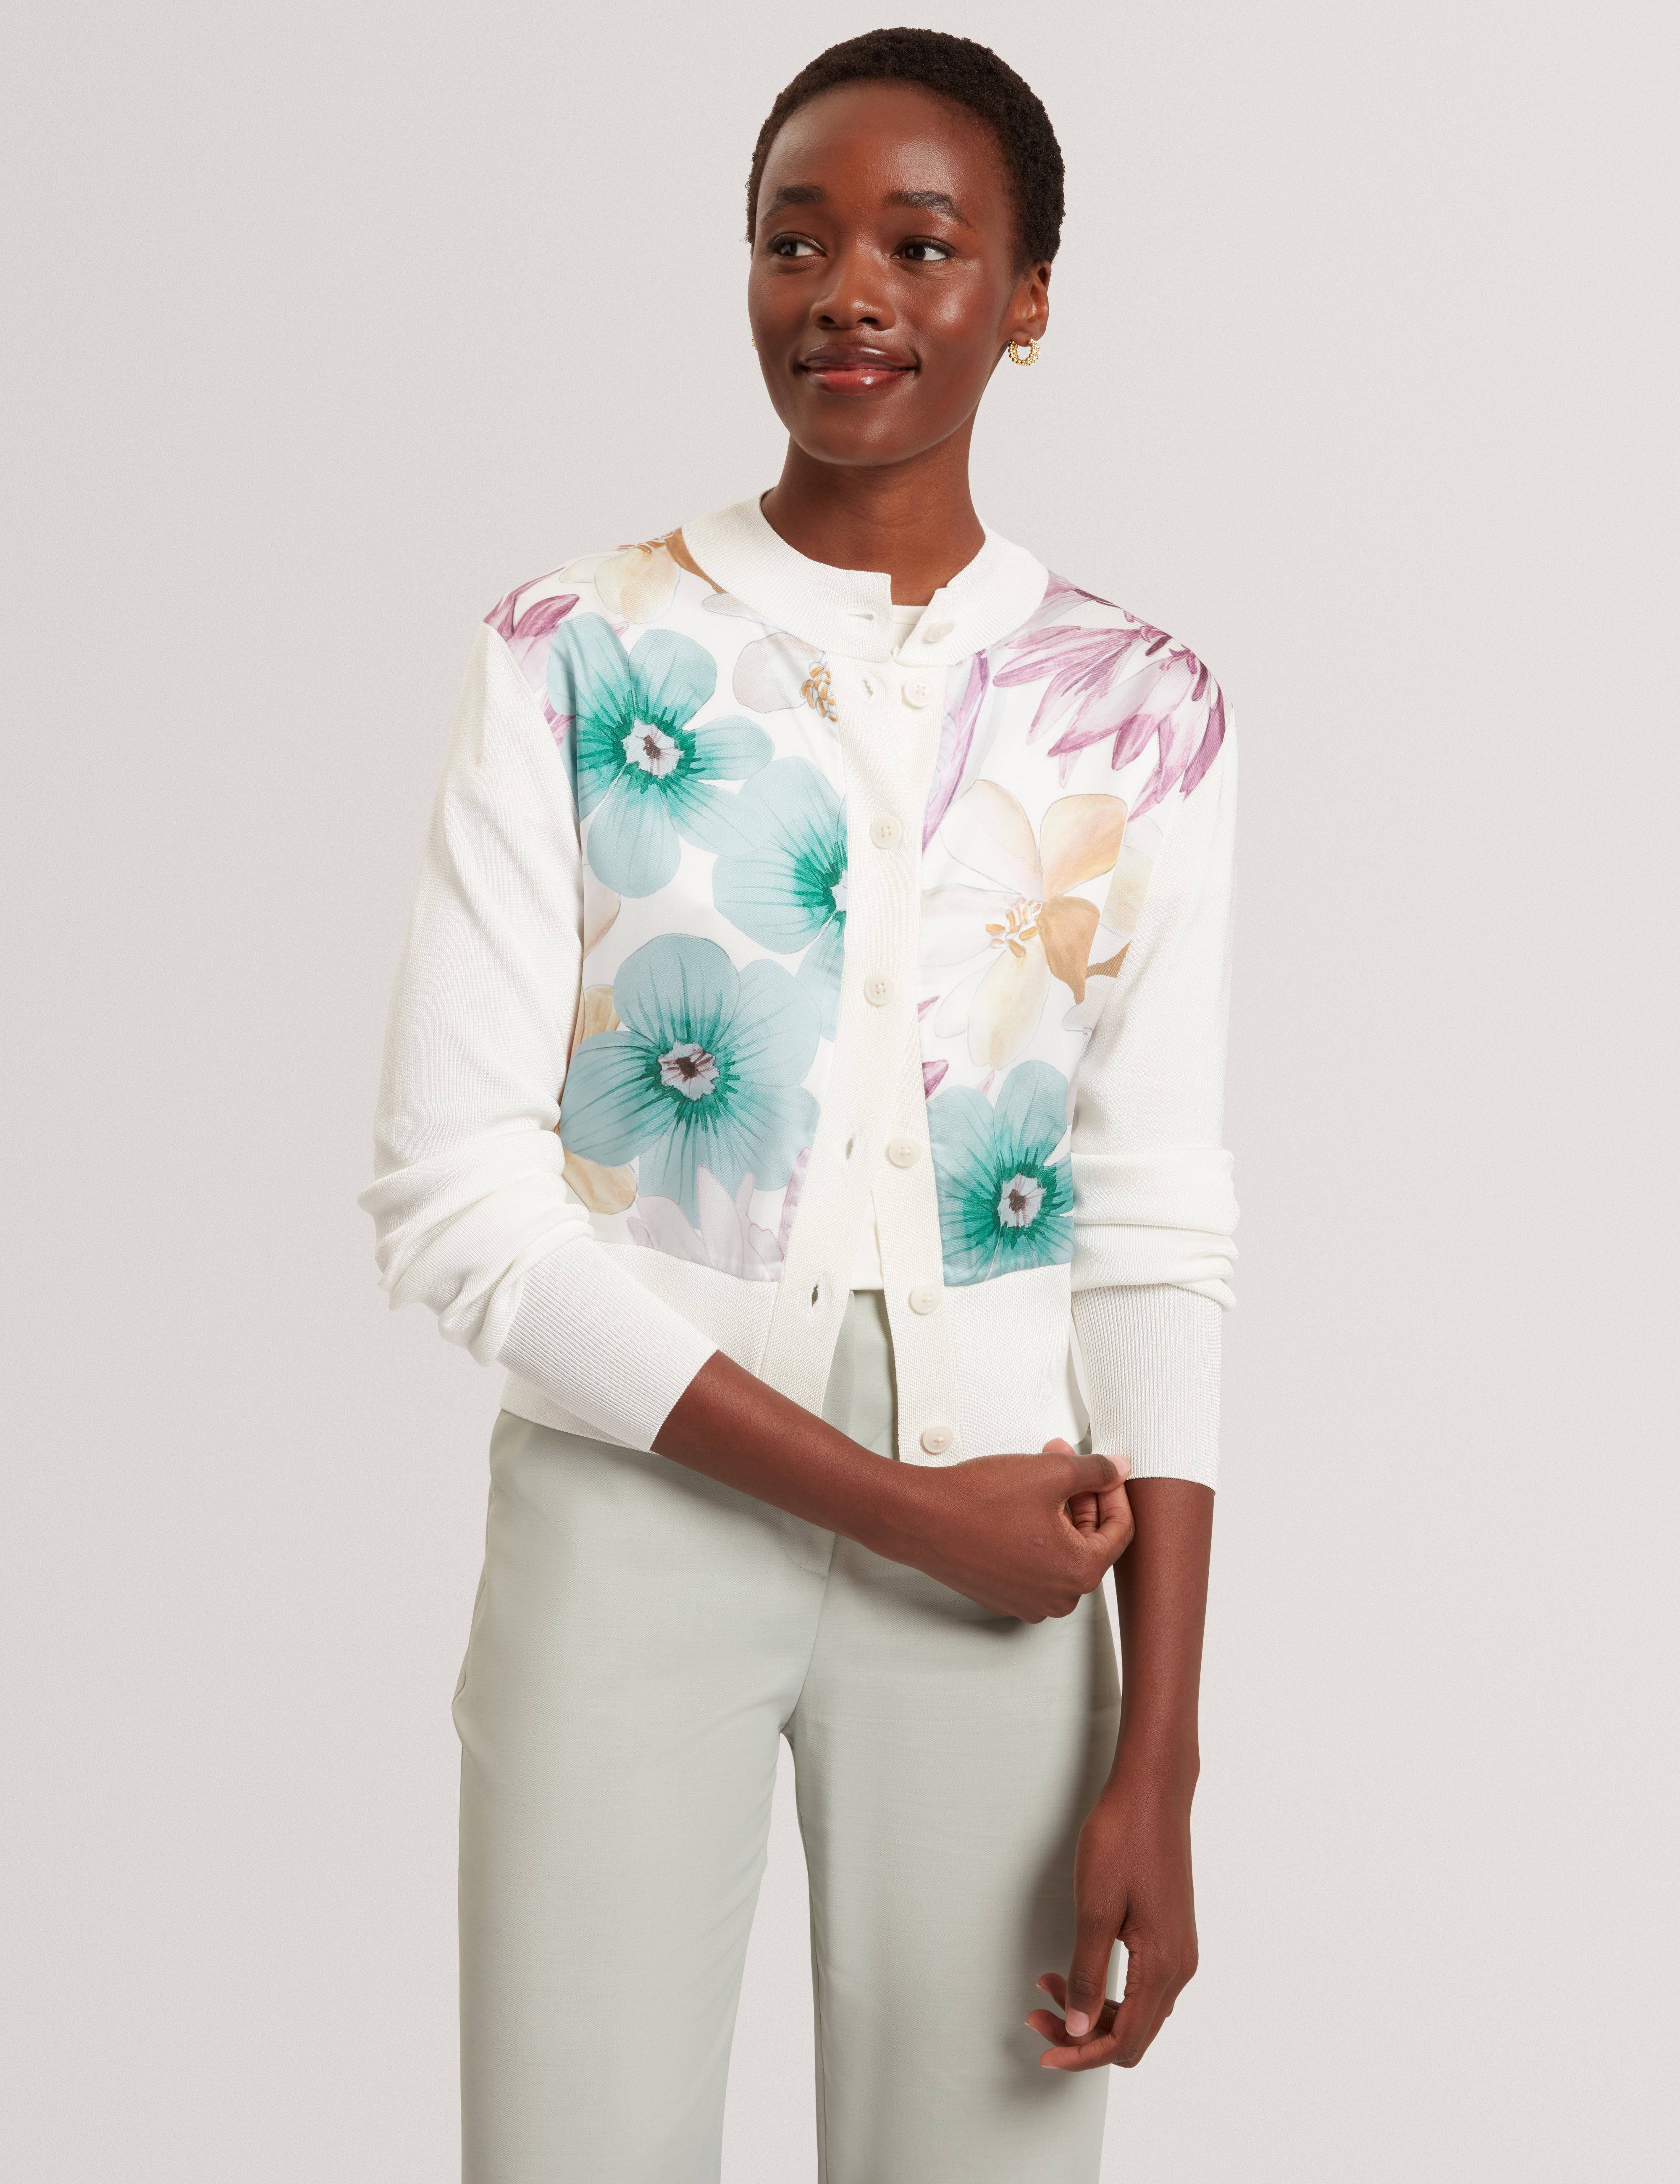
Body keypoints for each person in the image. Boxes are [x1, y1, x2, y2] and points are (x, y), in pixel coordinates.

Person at [362, 26, 1238, 2184]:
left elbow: (1150, 1222)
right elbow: (454, 1199)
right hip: (634, 1511)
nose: (846, 289)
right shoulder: (572, 652)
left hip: (1012, 1562)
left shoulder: (1140, 709)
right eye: (794, 239)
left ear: (1026, 297)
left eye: (919, 245)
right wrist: (900, 1509)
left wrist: (1160, 1752)